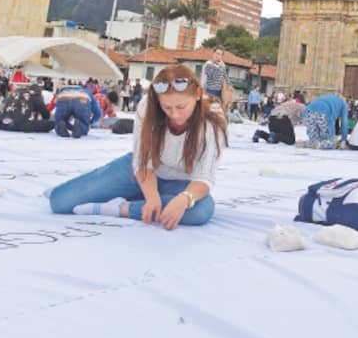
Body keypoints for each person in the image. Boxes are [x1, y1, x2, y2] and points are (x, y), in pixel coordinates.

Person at [48, 65, 226, 230]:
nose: (174, 114)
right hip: (142, 173)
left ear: (198, 94)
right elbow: (142, 161)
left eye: (181, 107)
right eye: (167, 107)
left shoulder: (213, 116)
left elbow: (204, 177)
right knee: (60, 202)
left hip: (180, 184)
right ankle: (134, 196)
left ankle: (121, 207)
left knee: (201, 210)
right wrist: (151, 195)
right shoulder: (147, 105)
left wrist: (185, 199)